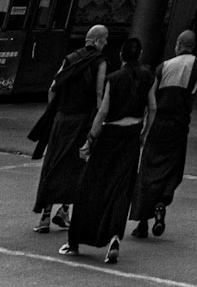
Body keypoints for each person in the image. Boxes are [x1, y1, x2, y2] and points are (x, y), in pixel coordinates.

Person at [129, 30, 197, 241]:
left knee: (149, 168)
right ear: (193, 46)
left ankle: (142, 222)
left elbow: (151, 101)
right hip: (179, 124)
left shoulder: (163, 67)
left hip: (159, 123)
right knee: (172, 168)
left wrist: (144, 129)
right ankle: (161, 203)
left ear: (178, 45)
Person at [61, 35, 153, 266]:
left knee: (91, 187)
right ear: (140, 55)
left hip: (109, 138)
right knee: (120, 190)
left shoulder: (114, 78)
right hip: (131, 137)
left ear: (121, 55)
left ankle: (75, 241)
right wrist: (144, 134)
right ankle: (113, 236)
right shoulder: (148, 77)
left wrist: (91, 139)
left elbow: (102, 113)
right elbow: (152, 107)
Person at [30, 24, 109, 235]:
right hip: (82, 120)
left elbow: (52, 88)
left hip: (61, 119)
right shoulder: (100, 62)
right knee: (75, 166)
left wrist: (54, 113)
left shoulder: (70, 58)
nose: (106, 43)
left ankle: (46, 215)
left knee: (53, 163)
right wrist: (99, 122)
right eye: (105, 39)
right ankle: (64, 210)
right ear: (98, 40)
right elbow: (99, 94)